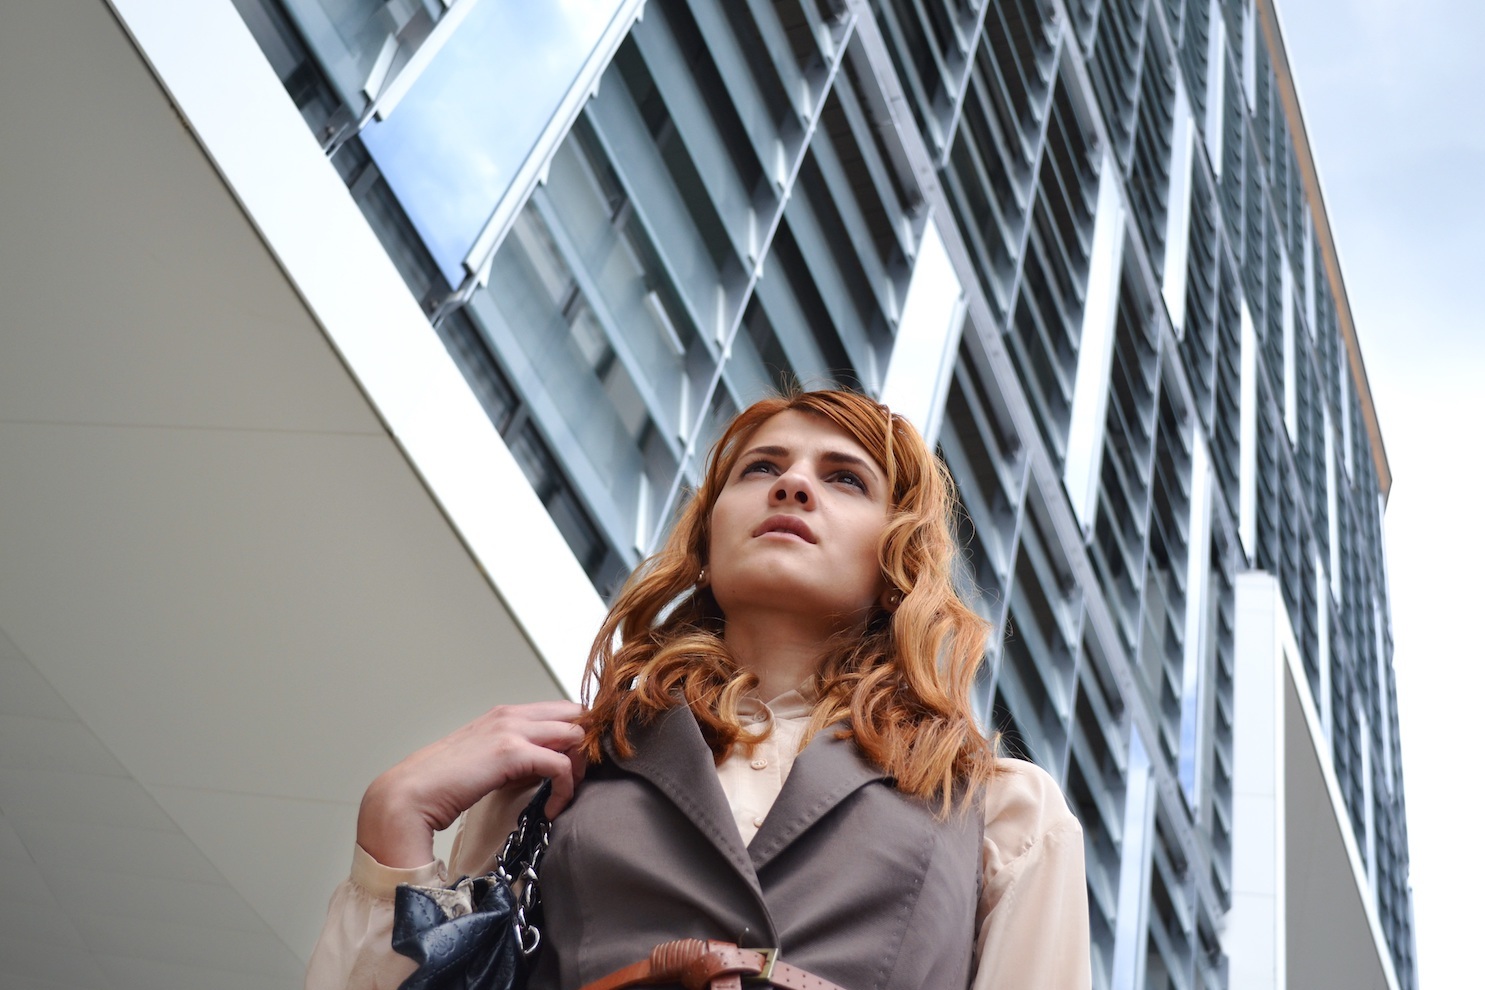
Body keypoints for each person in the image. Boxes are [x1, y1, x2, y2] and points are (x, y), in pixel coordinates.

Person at [306, 389, 1091, 989]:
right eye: (761, 468)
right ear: (709, 535)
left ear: (898, 562)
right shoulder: (562, 771)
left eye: (844, 478)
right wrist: (393, 832)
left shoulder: (1003, 812)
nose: (791, 487)